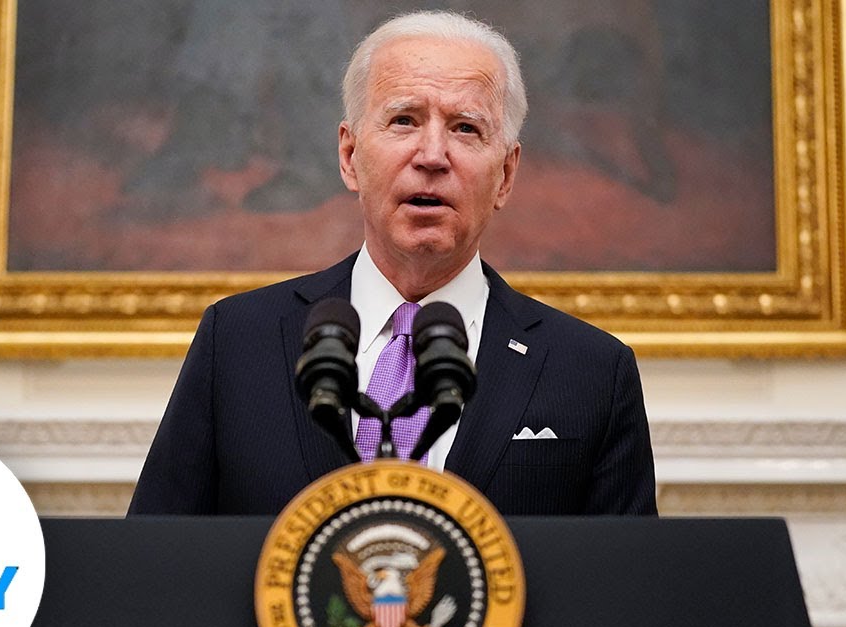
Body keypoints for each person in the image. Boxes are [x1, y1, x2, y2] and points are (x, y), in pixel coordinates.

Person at [128, 11, 656, 516]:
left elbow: (620, 574)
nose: (432, 155)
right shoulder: (237, 340)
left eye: (465, 128)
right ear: (350, 157)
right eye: (404, 120)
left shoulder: (592, 372)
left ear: (506, 175)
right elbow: (158, 554)